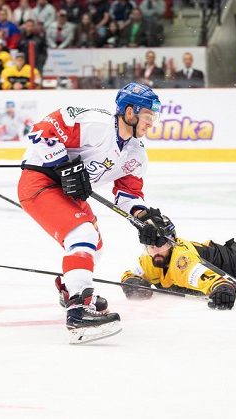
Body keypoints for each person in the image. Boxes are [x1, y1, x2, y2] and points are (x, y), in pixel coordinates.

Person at [17, 82, 170, 343]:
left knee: (95, 247)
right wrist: (64, 164)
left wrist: (144, 219)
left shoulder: (135, 153)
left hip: (69, 195)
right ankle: (79, 309)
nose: (150, 123)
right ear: (130, 112)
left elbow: (128, 195)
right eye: (147, 116)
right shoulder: (96, 124)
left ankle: (71, 290)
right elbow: (41, 132)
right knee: (83, 235)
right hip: (40, 182)